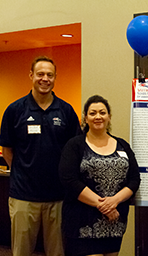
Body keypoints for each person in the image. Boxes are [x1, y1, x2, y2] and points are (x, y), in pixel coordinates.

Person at [0, 56, 81, 256]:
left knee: (58, 252)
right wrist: (23, 171)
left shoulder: (66, 111)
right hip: (23, 197)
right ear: (31, 76)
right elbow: (7, 150)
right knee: (21, 251)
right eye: (40, 74)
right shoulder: (14, 110)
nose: (45, 79)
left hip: (58, 198)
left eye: (50, 75)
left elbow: (75, 150)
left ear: (55, 78)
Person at [59, 95, 141, 256]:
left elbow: (134, 179)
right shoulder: (75, 145)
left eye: (102, 112)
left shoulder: (122, 145)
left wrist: (114, 201)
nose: (98, 117)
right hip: (83, 221)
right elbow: (69, 180)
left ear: (109, 117)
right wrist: (104, 206)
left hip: (114, 222)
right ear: (85, 118)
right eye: (93, 113)